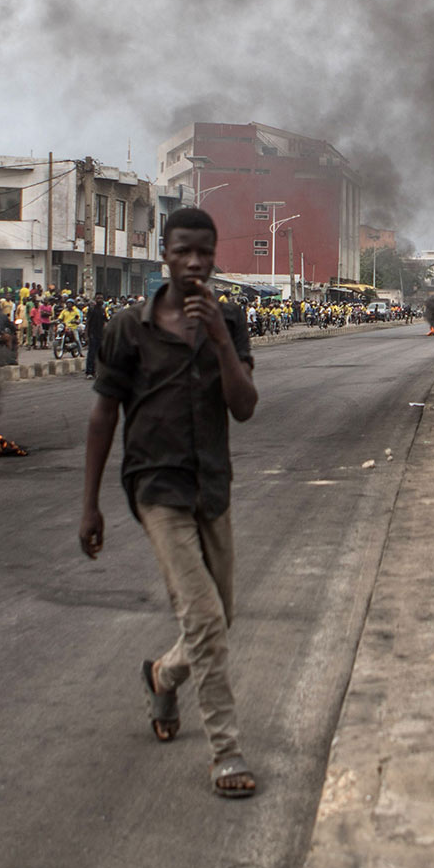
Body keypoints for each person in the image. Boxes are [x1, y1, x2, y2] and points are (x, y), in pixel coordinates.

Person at [79, 206, 259, 799]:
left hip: (212, 482)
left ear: (214, 256)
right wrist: (90, 505)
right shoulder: (130, 328)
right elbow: (105, 413)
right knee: (205, 618)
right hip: (155, 486)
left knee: (221, 617)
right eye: (183, 250)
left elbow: (244, 405)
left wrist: (218, 342)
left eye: (204, 252)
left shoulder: (228, 319)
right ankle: (226, 753)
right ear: (164, 252)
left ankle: (163, 673)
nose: (194, 262)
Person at [83, 295, 108, 381]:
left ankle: (96, 371)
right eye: (98, 298)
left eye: (101, 298)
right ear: (95, 300)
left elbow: (105, 321)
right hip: (93, 334)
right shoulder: (92, 310)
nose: (100, 300)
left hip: (100, 335)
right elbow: (88, 323)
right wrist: (86, 335)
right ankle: (89, 372)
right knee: (91, 354)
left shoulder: (103, 310)